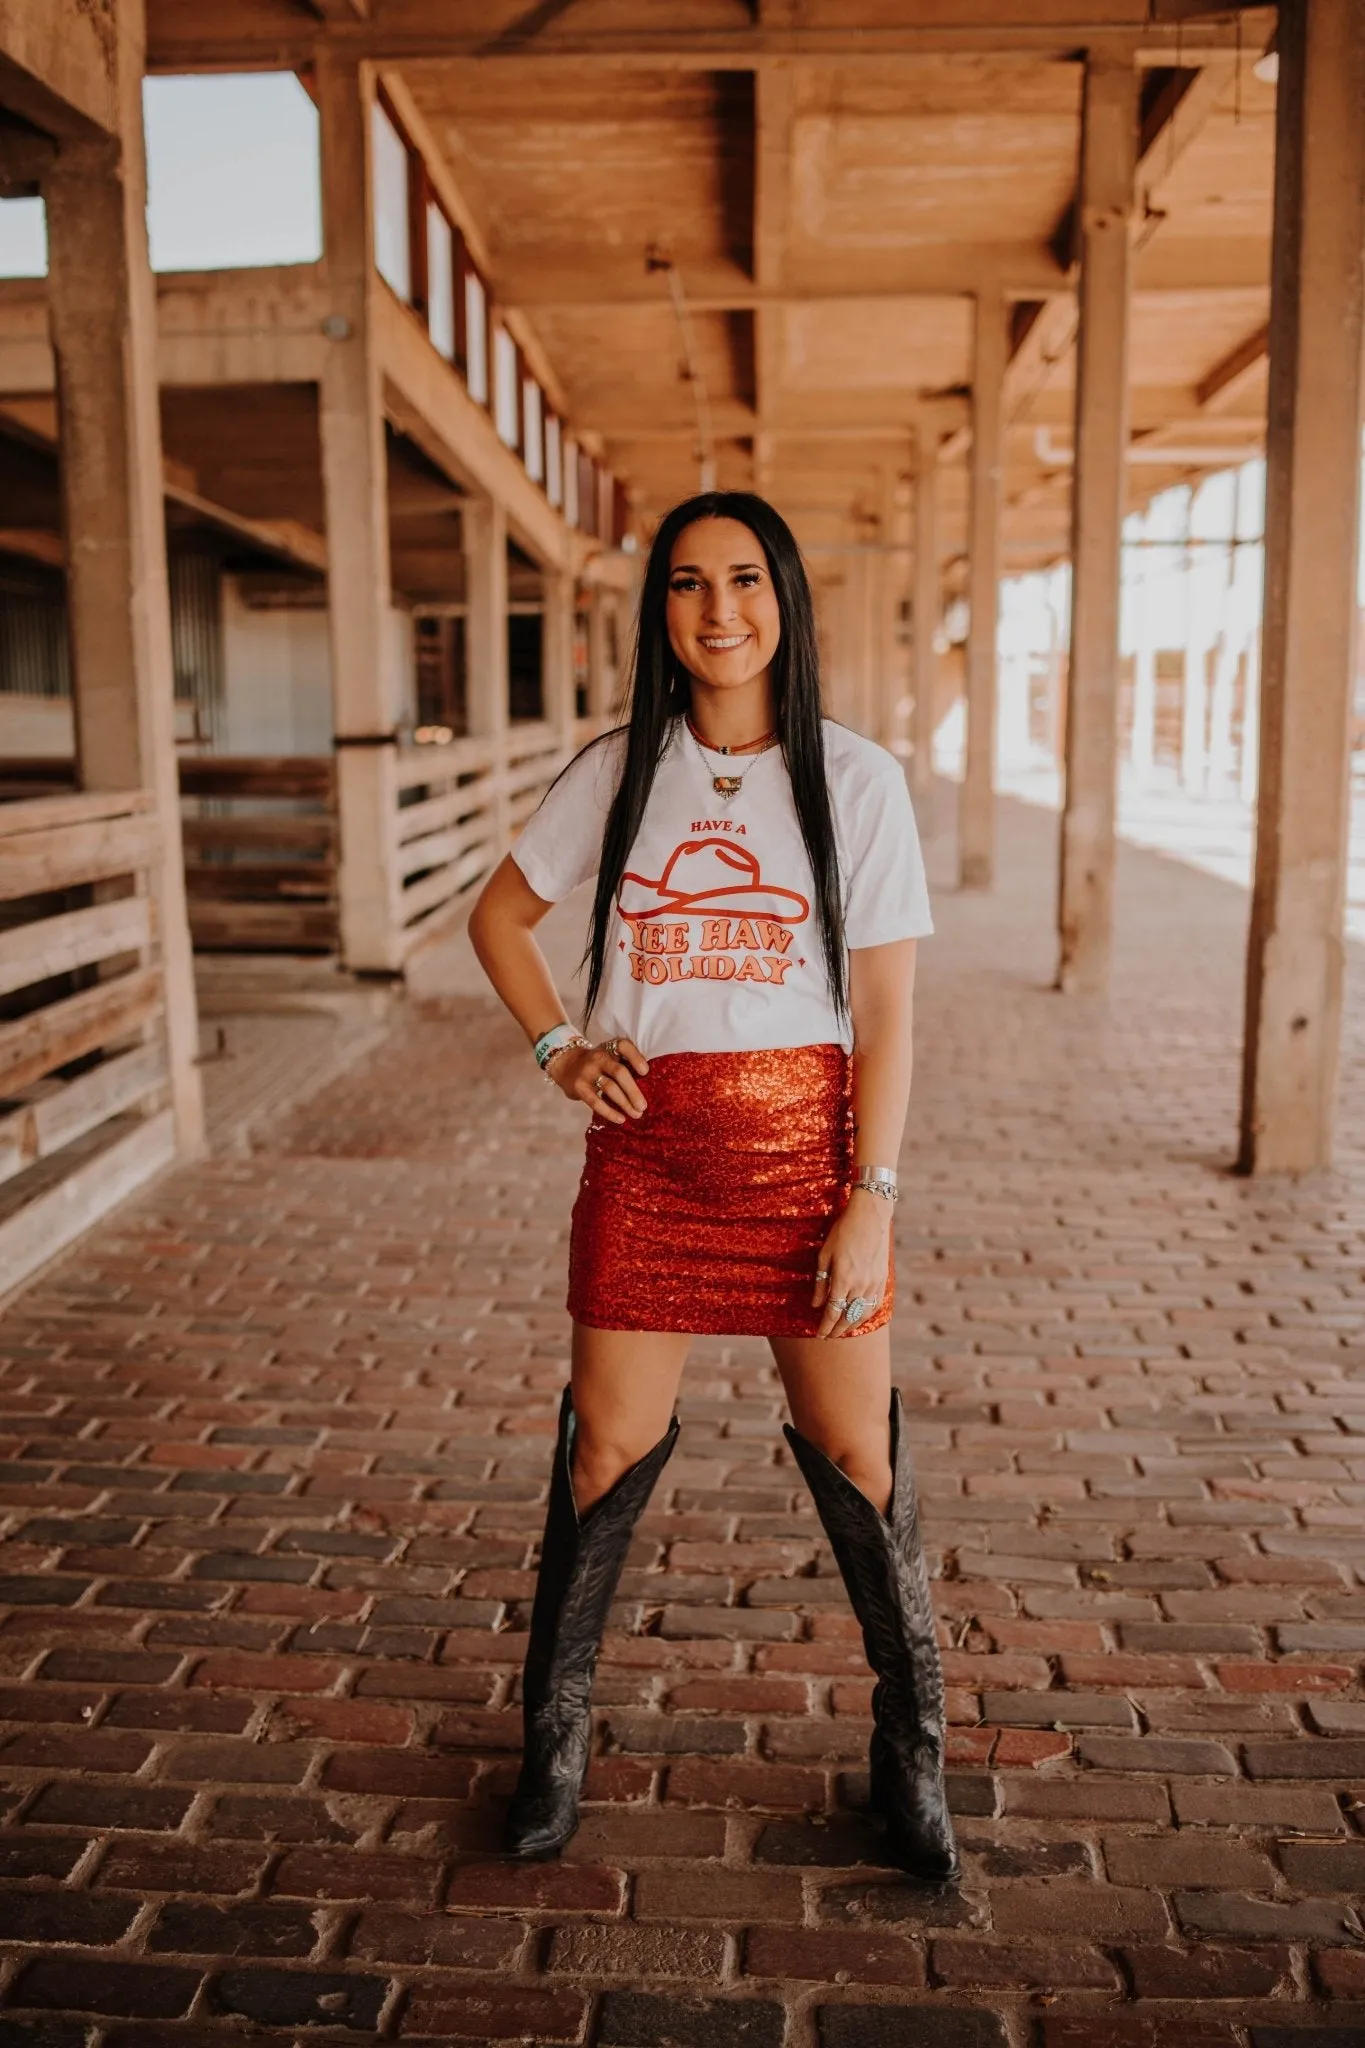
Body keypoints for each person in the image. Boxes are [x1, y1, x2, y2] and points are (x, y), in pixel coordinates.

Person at [468, 490, 956, 1882]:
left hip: (810, 1161)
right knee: (604, 1451)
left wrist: (875, 1191)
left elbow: (893, 1015)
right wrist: (559, 1046)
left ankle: (911, 1751)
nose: (720, 610)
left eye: (746, 580)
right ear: (661, 612)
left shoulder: (855, 780)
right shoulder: (622, 770)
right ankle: (553, 1742)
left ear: (786, 599)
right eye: (689, 585)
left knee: (859, 1460)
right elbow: (498, 918)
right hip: (650, 1163)